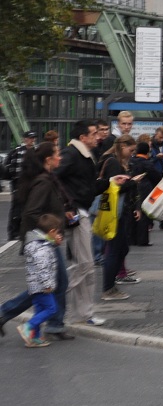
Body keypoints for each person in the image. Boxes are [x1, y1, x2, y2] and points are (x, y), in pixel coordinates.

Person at [55, 119, 128, 326]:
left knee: (85, 266)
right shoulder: (71, 154)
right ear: (82, 137)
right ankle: (49, 290)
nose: (99, 136)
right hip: (76, 213)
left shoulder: (86, 156)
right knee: (85, 264)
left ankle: (83, 314)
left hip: (80, 211)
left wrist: (111, 182)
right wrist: (67, 206)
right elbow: (52, 178)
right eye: (94, 133)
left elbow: (87, 188)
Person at [0, 144, 74, 341]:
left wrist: (62, 215)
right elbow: (32, 213)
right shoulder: (43, 182)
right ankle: (54, 324)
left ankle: (50, 323)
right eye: (57, 154)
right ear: (48, 159)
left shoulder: (47, 179)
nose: (60, 158)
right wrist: (49, 234)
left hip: (42, 239)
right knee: (51, 284)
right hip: (42, 241)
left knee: (47, 285)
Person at [98, 135, 139, 301]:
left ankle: (111, 284)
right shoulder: (113, 162)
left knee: (121, 248)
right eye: (130, 150)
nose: (131, 154)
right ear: (122, 147)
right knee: (114, 250)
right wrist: (133, 182)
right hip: (115, 212)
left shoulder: (114, 161)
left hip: (119, 211)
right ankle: (108, 288)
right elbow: (116, 187)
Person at [17, 214, 65, 348]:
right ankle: (28, 327)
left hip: (34, 285)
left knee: (39, 310)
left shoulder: (37, 243)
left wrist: (53, 242)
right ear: (51, 232)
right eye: (57, 232)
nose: (58, 235)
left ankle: (35, 337)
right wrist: (48, 285)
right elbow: (43, 268)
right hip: (43, 286)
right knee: (51, 309)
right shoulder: (42, 249)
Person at [4, 130, 38, 241]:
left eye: (33, 138)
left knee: (27, 208)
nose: (32, 140)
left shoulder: (35, 151)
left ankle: (23, 231)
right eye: (30, 138)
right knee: (17, 209)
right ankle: (15, 231)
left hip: (30, 184)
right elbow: (12, 168)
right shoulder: (17, 151)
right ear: (25, 139)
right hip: (18, 183)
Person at [130, 141, 161, 247]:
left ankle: (132, 239)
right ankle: (142, 239)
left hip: (132, 189)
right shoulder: (147, 163)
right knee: (144, 214)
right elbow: (156, 176)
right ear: (148, 151)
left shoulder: (132, 161)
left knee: (134, 212)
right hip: (145, 189)